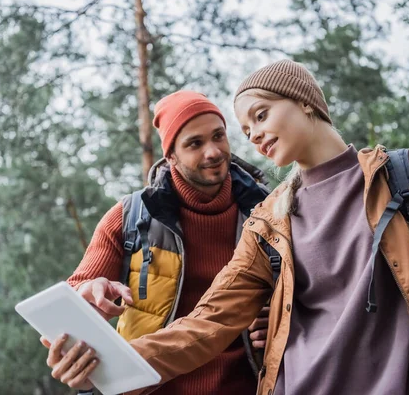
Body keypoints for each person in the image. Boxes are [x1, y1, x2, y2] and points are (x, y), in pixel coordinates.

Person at [47, 60, 409, 395]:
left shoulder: (404, 175)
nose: (252, 136)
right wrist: (106, 364)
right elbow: (209, 322)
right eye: (246, 128)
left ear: (305, 101)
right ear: (171, 157)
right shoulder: (269, 220)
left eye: (259, 116)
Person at [42, 90, 271, 394]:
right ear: (171, 155)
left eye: (218, 136)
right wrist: (87, 291)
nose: (214, 151)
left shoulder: (269, 212)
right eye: (195, 143)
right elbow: (72, 298)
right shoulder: (131, 216)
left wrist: (282, 320)